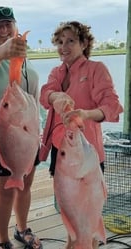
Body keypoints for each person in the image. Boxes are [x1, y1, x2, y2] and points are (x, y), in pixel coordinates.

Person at [39, 21, 123, 248]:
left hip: (87, 155)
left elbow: (112, 106)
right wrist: (54, 97)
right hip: (62, 152)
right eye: (60, 42)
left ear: (84, 43)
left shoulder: (96, 69)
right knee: (70, 217)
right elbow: (45, 93)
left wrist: (85, 114)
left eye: (70, 41)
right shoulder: (57, 72)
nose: (63, 47)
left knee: (89, 221)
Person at [0, 6, 43, 249]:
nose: (3, 30)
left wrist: (39, 134)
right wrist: (5, 50)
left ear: (15, 26)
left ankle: (22, 229)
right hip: (2, 139)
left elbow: (34, 99)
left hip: (30, 136)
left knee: (24, 186)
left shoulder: (24, 60)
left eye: (7, 25)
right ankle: (1, 240)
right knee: (4, 193)